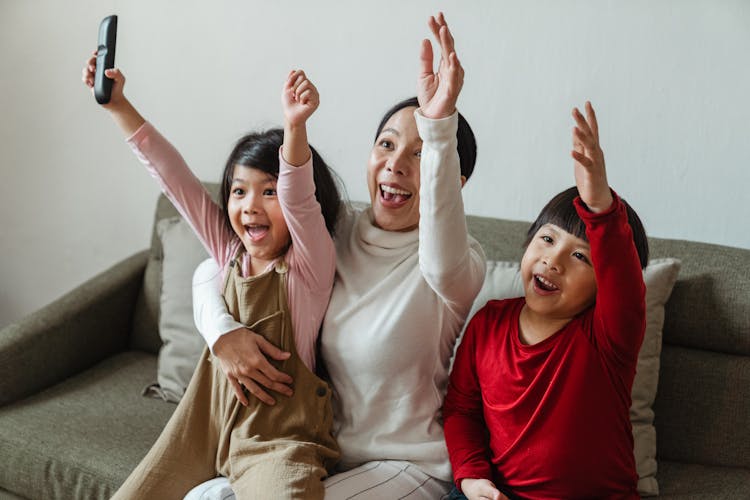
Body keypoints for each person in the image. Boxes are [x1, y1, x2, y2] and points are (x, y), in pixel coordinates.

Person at [187, 12, 487, 500]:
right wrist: (221, 331)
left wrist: (440, 127)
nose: (394, 164)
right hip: (318, 450)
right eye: (386, 145)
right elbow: (217, 263)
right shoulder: (335, 233)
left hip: (409, 466)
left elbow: (442, 255)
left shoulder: (457, 267)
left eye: (419, 155)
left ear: (452, 181)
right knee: (203, 497)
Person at [82, 52, 343, 498]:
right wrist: (118, 107)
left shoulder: (308, 269)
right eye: (239, 192)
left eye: (268, 192)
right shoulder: (228, 253)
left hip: (277, 443)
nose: (250, 206)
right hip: (202, 431)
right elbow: (173, 177)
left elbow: (300, 199)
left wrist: (296, 129)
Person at [443, 102, 649, 500]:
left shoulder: (609, 340)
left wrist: (602, 208)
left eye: (579, 256)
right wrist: (471, 477)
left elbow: (625, 287)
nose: (552, 261)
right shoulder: (489, 324)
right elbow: (461, 411)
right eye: (548, 239)